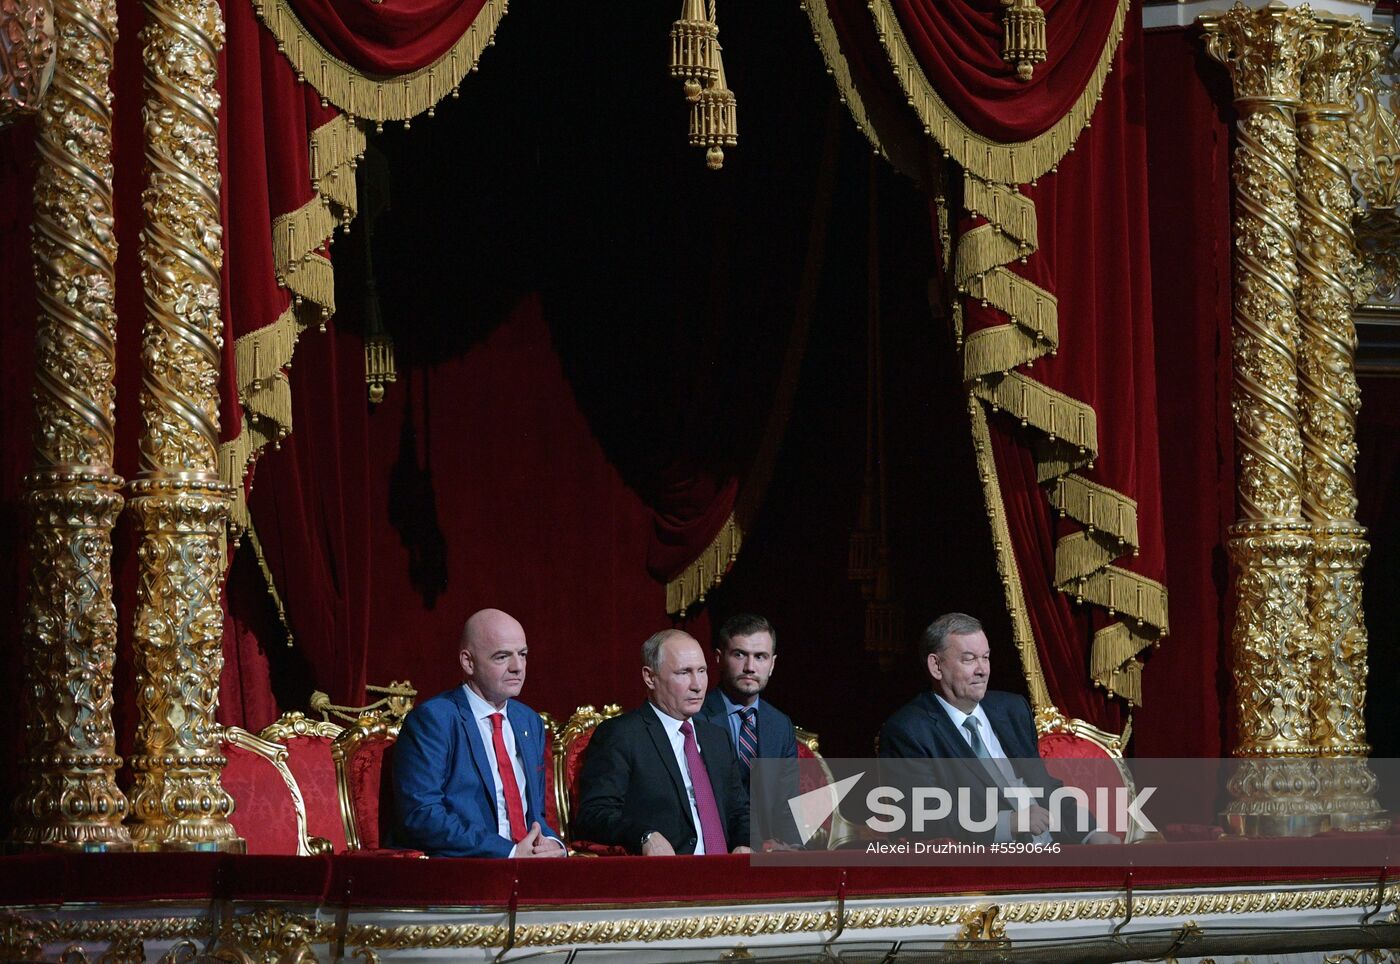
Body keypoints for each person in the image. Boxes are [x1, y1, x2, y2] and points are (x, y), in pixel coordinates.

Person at [878, 613, 1119, 845]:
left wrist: (1091, 833)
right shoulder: (908, 731)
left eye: (986, 657)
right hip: (986, 867)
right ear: (936, 666)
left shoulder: (1012, 710)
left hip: (1057, 848)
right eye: (969, 659)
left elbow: (1046, 787)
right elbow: (922, 816)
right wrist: (1007, 823)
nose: (982, 669)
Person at [394, 609, 566, 857]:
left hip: (527, 865)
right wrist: (508, 852)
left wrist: (553, 844)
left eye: (523, 654)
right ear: (468, 662)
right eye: (502, 657)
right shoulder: (435, 719)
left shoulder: (529, 721)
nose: (518, 667)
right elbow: (422, 814)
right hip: (467, 867)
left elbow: (536, 816)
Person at [575, 629, 751, 855]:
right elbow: (594, 814)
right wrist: (644, 835)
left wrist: (745, 843)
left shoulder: (716, 738)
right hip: (666, 876)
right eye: (684, 673)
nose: (697, 684)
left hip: (726, 874)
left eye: (702, 671)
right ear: (650, 677)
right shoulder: (622, 735)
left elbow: (739, 811)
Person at [699, 613, 801, 845]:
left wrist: (788, 848)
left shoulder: (779, 724)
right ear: (719, 658)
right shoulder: (695, 716)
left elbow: (788, 802)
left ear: (772, 664)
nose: (750, 667)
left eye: (760, 657)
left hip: (766, 850)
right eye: (739, 654)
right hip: (711, 846)